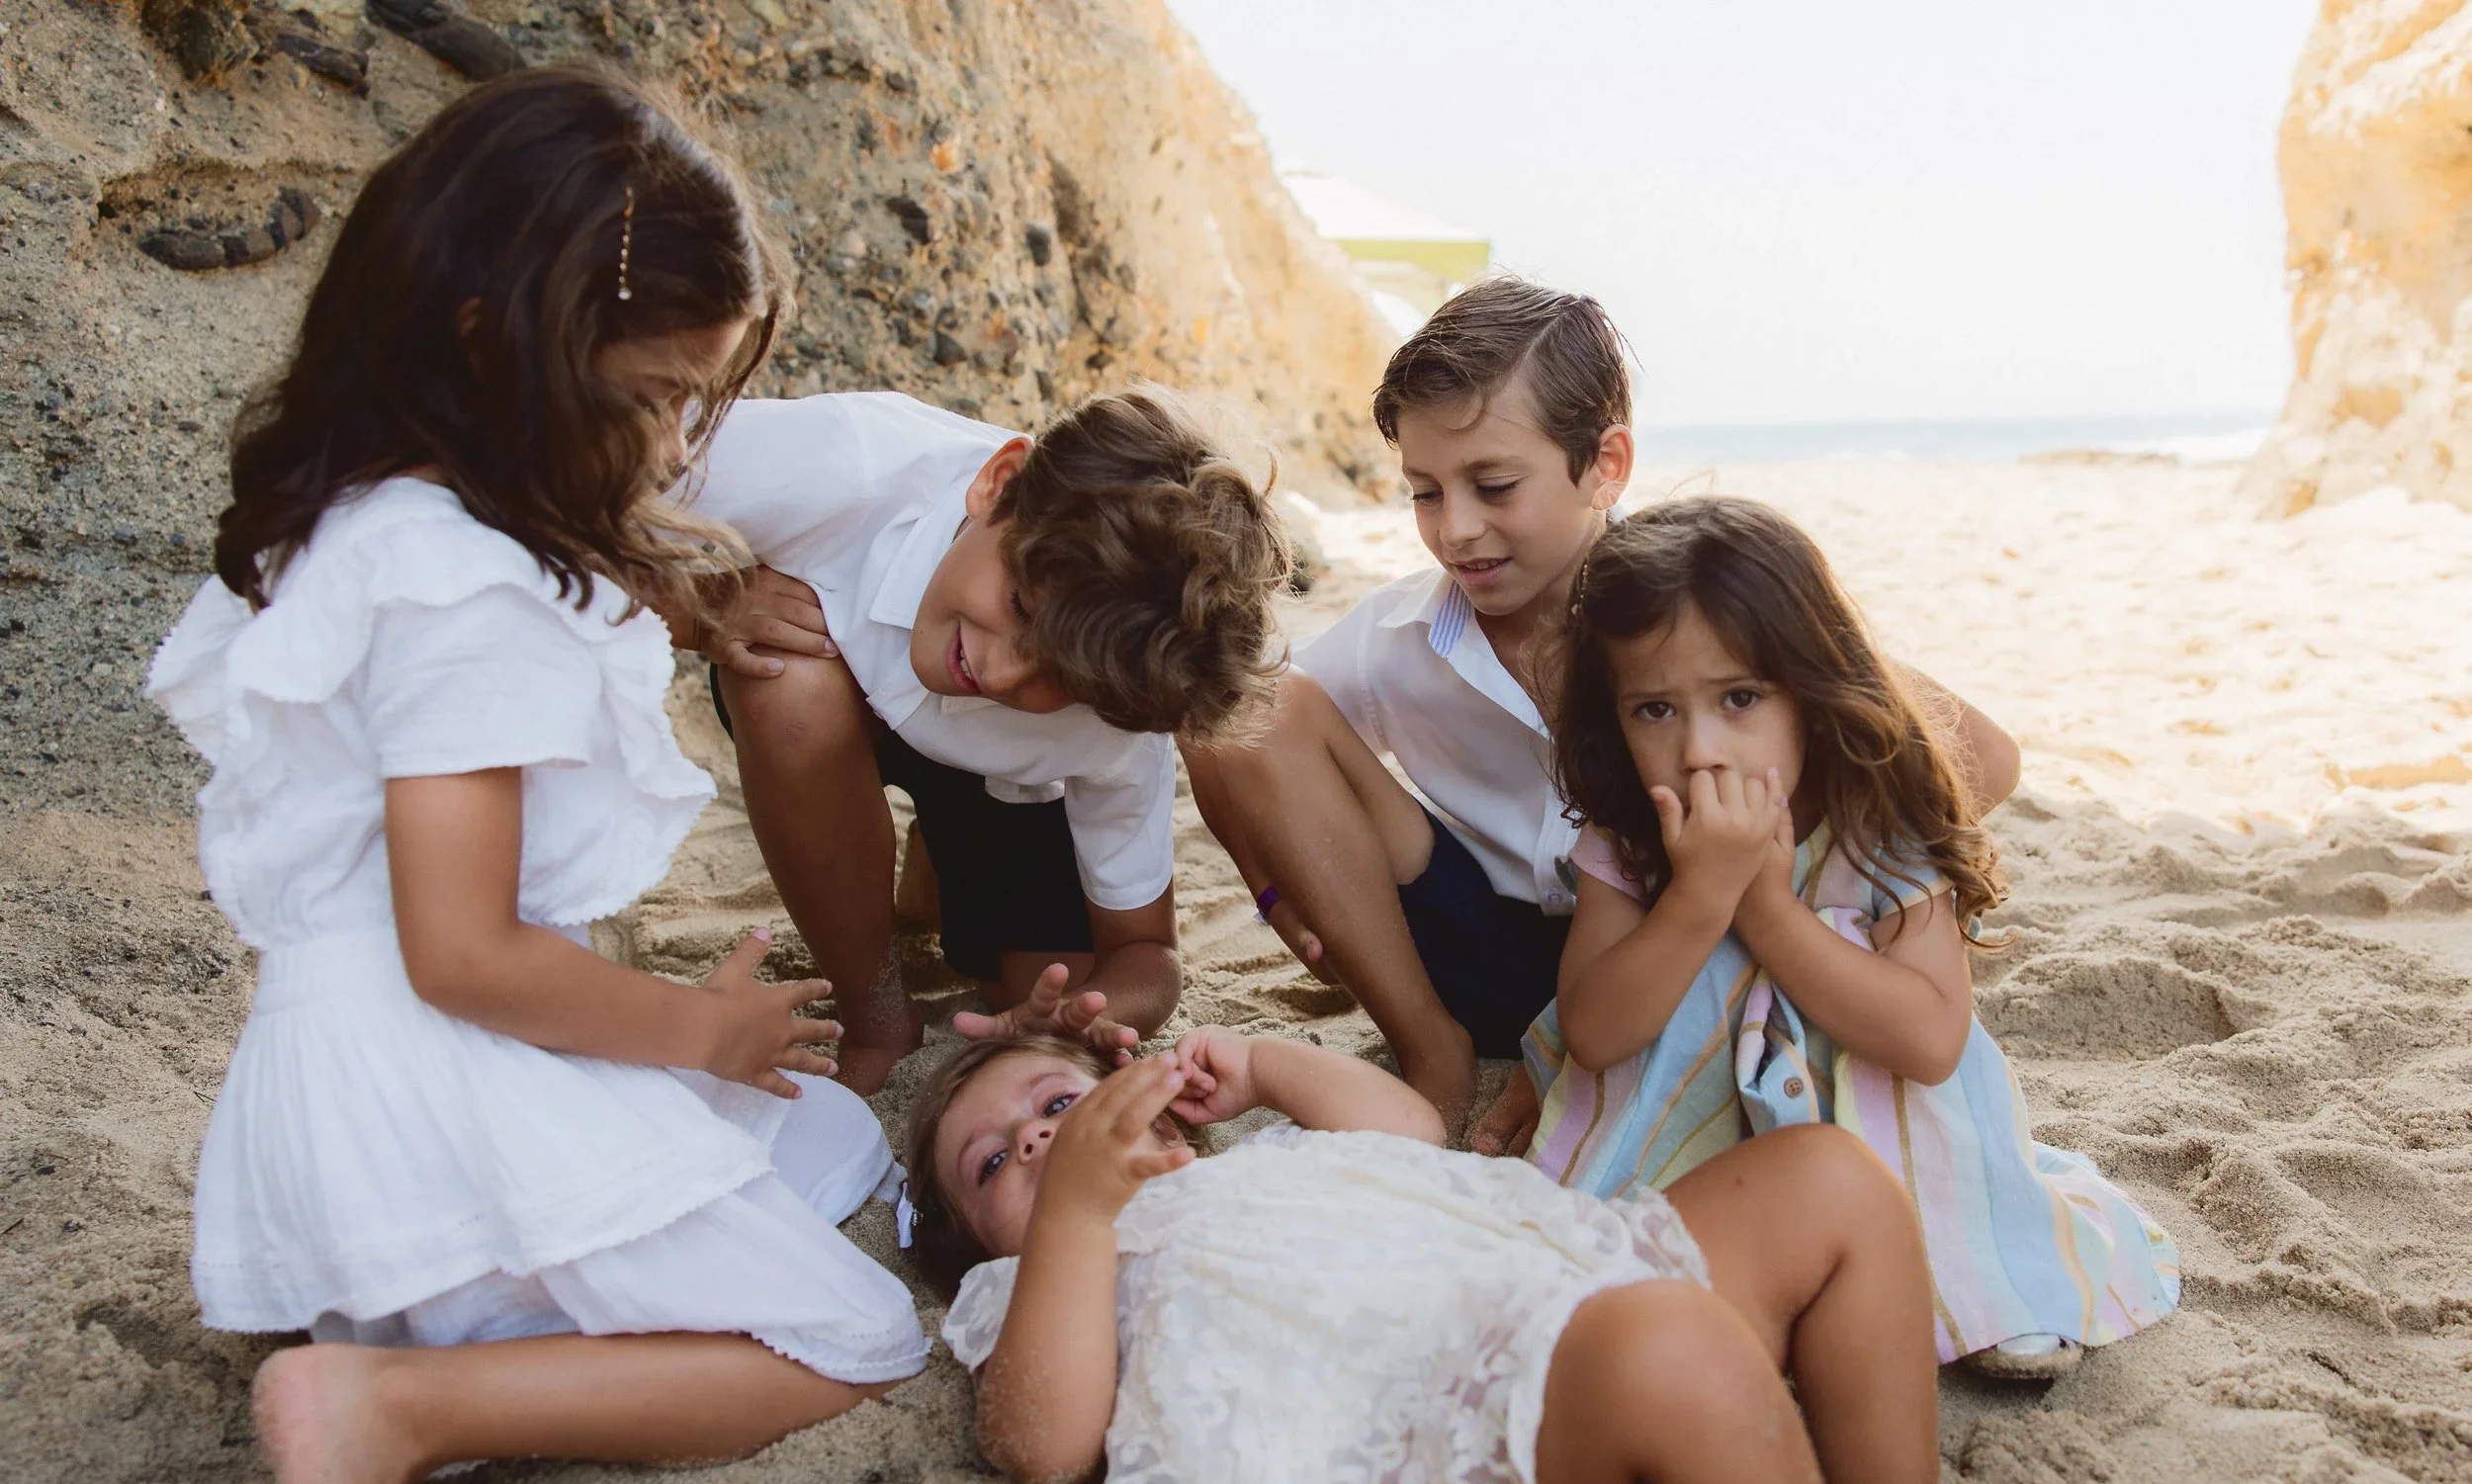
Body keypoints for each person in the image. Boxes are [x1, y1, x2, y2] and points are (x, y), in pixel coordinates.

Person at [142, 66, 927, 1484]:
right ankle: (398, 1404)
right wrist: (695, 1031)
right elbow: (464, 952)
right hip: (432, 1074)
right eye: (646, 398)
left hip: (347, 1081)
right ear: (485, 331)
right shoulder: (460, 591)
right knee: (850, 1336)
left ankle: (429, 1318)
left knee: (833, 1148)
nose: (671, 444)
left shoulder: (363, 519)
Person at [897, 1029, 2096, 1484]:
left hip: (1559, 1305)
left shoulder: (1261, 1164)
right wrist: (1071, 1222)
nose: (1040, 1145)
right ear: (981, 1246)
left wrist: (1260, 1065)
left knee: (1831, 1178)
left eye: (1059, 1104)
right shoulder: (1057, 1274)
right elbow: (1039, 1439)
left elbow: (1403, 1126)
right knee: (1664, 1349)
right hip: (1472, 1465)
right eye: (994, 1163)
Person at [1183, 278, 2022, 1123]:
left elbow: (1984, 756)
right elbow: (1217, 726)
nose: (1457, 529)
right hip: (1473, 951)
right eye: (1425, 491)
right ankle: (1432, 1050)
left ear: (1606, 467)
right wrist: (1278, 898)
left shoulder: (1699, 616)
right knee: (1266, 704)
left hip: (1681, 949)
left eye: (1496, 485)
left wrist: (1756, 882)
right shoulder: (1399, 632)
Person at [1485, 496, 2179, 1379]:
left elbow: (1929, 1041)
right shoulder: (1632, 834)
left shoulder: (1877, 823)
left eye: (1740, 697)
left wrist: (1768, 908)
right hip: (1687, 1151)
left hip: (1890, 1145)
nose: (1702, 748)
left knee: (1941, 1225)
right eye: (1655, 710)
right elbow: (1594, 1029)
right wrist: (1700, 896)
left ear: (1810, 694)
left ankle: (1969, 1285)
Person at [672, 385, 1292, 1094]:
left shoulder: (1117, 705)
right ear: (997, 484)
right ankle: (873, 1008)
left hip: (1004, 785)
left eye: (1059, 678)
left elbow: (1147, 953)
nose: (999, 672)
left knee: (1034, 995)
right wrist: (698, 605)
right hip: (827, 697)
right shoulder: (841, 461)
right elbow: (542, 517)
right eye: (1020, 604)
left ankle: (938, 863)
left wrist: (1084, 1017)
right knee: (787, 690)